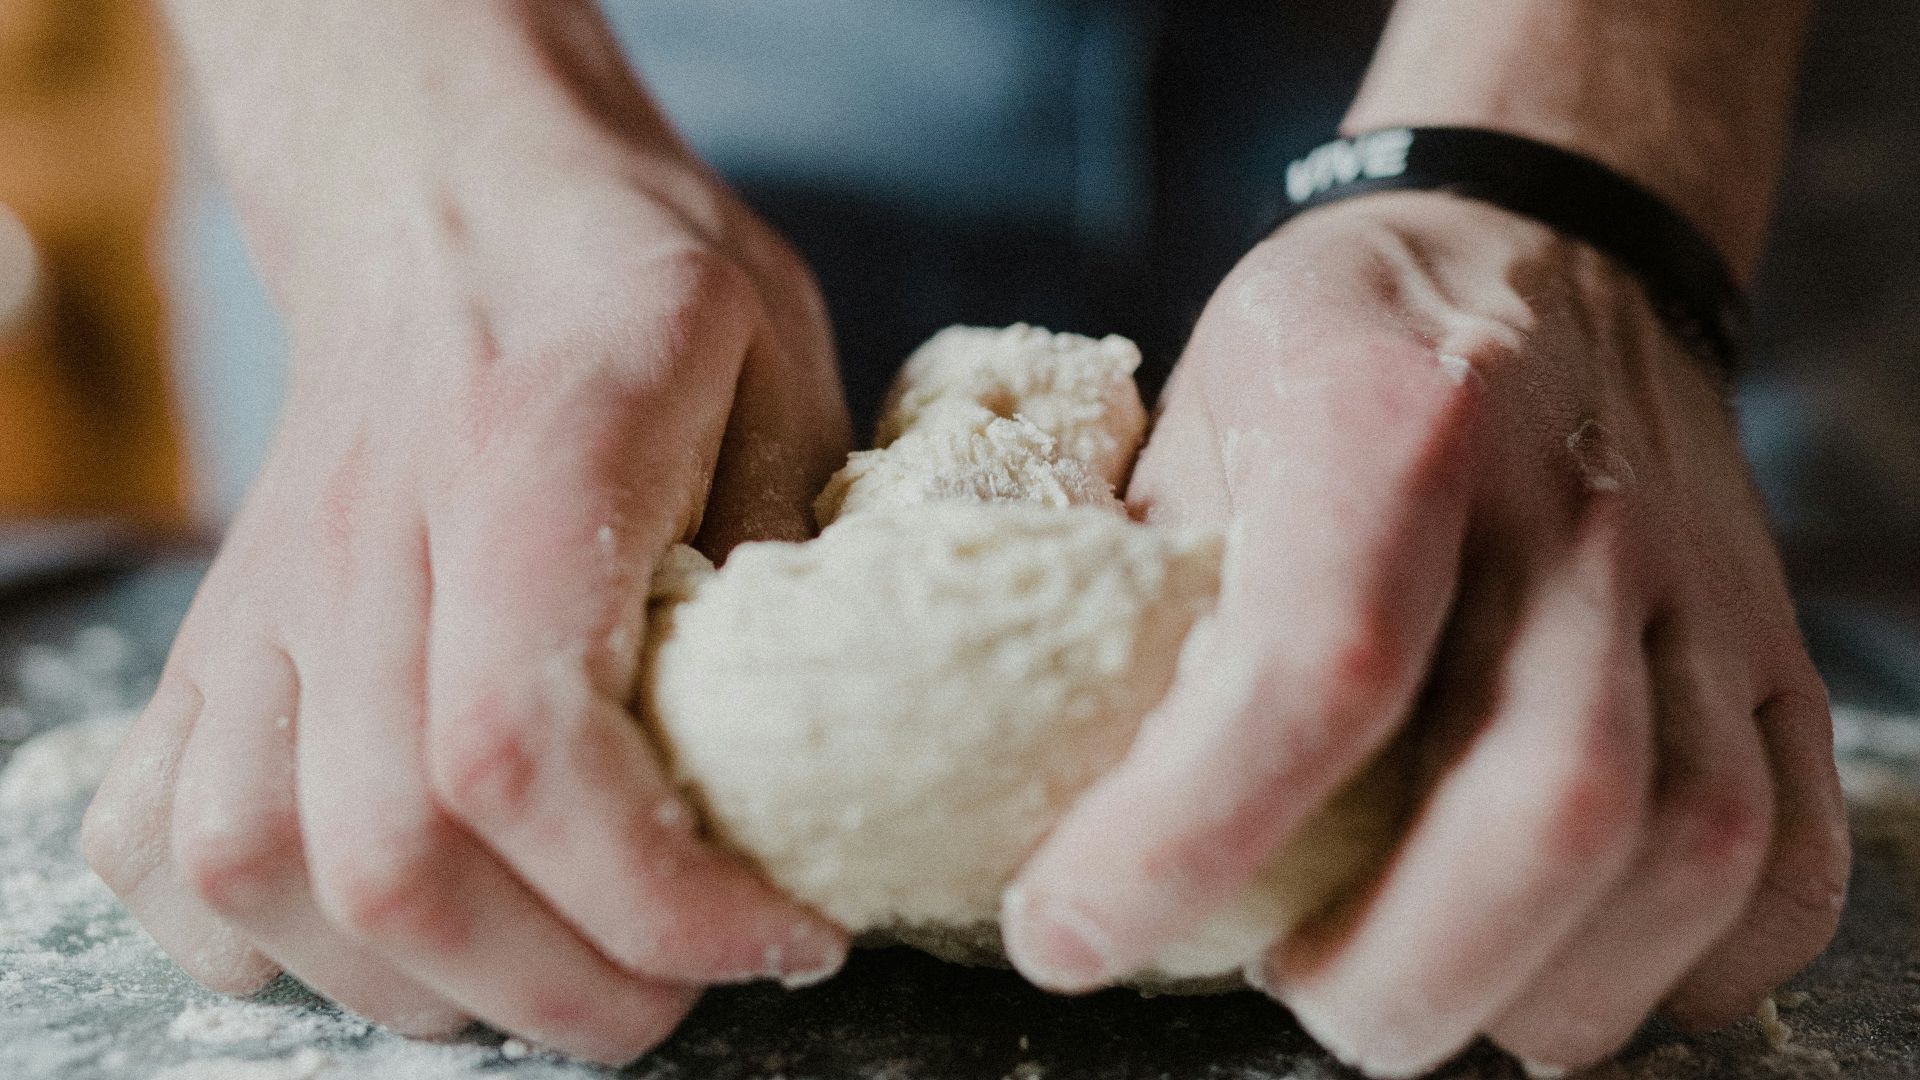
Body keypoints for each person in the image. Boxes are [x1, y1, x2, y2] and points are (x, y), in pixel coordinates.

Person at [80, 2, 1849, 1075]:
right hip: (606, 85)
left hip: (1669, 88)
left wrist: (1571, 162)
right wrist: (417, 163)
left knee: (1603, 779)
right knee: (465, 715)